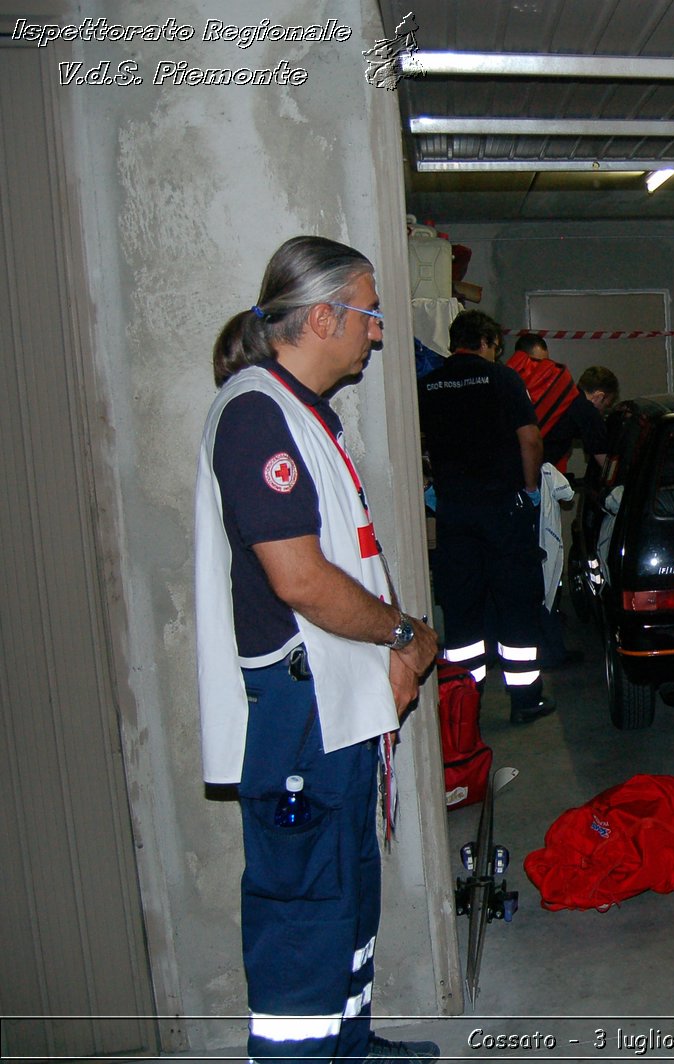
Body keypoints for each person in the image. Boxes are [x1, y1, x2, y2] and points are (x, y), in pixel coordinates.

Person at [194, 235, 441, 1061]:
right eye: (370, 314)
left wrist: (392, 657)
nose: (378, 334)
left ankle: (349, 1044)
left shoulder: (303, 414)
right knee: (303, 913)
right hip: (300, 712)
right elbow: (301, 580)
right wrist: (403, 635)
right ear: (324, 314)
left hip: (336, 701)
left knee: (344, 893)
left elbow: (353, 552)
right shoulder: (257, 415)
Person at [419, 310, 554, 724]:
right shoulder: (502, 380)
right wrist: (530, 491)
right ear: (488, 342)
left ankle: (464, 705)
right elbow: (530, 440)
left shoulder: (429, 386)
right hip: (503, 511)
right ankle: (525, 701)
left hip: (455, 513)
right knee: (515, 603)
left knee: (461, 609)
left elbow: (420, 445)